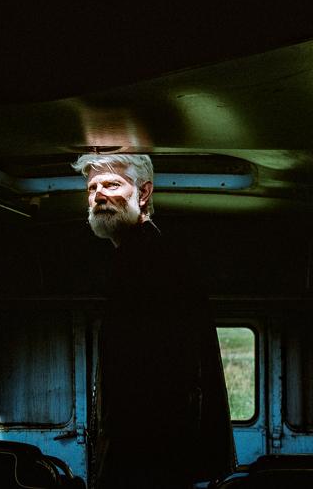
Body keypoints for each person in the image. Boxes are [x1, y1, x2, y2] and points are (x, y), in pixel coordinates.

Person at [72, 153, 234, 489]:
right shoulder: (140, 254)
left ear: (143, 193)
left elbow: (157, 377)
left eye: (111, 185)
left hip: (150, 455)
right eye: (92, 188)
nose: (99, 195)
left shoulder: (150, 261)